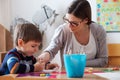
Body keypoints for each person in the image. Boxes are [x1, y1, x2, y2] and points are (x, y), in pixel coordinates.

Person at [38, 0, 108, 67]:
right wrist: (45, 55)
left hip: (93, 75)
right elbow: (51, 50)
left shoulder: (99, 31)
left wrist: (78, 62)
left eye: (74, 23)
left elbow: (103, 60)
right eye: (67, 20)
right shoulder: (63, 30)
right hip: (70, 76)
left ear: (86, 20)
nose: (69, 26)